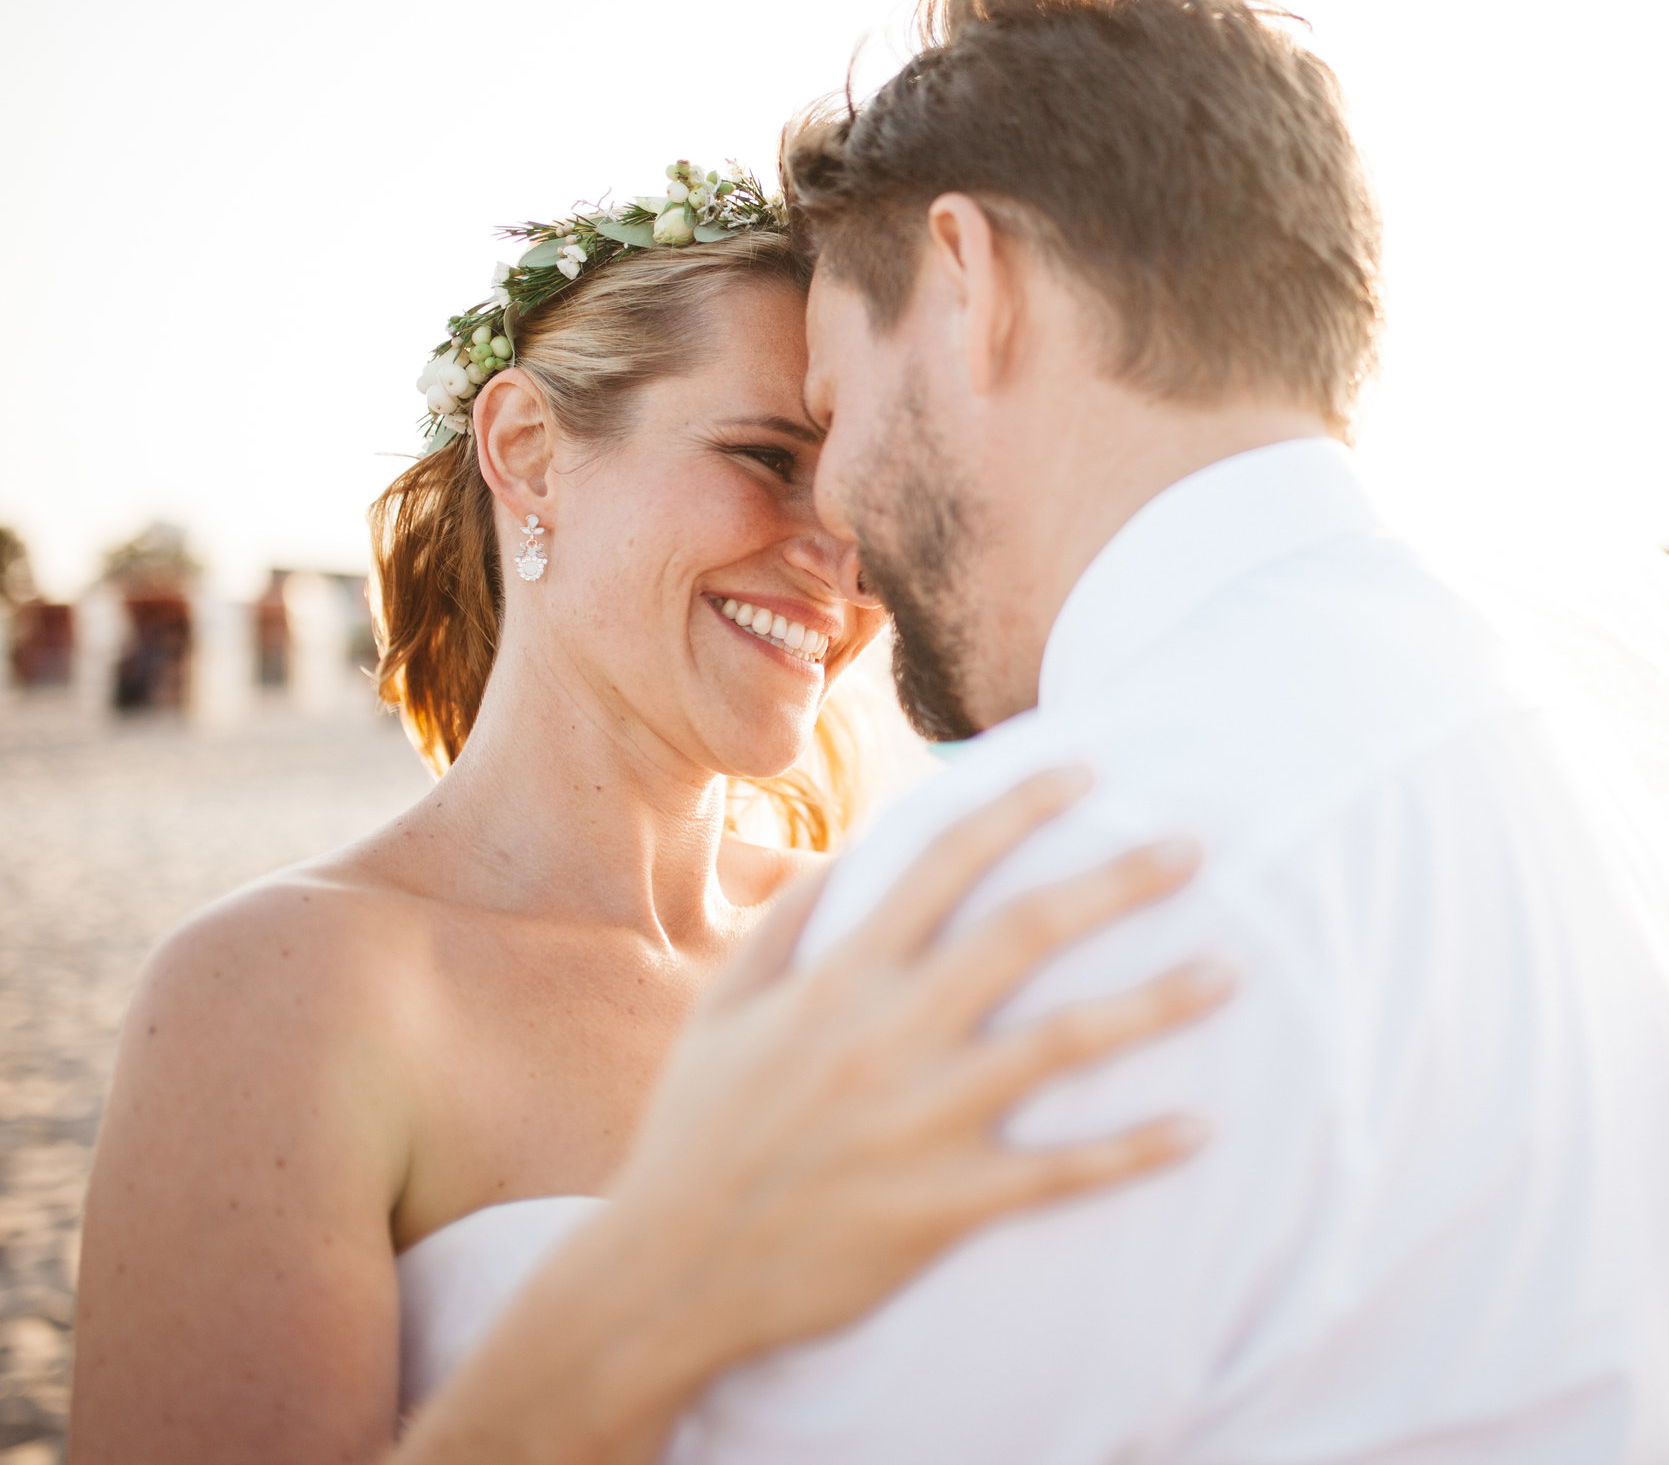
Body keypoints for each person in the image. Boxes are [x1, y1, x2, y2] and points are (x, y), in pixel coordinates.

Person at [584, 0, 1669, 1461]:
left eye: (834, 401)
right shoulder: (1549, 746)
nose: (844, 516)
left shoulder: (1021, 889)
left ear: (967, 279)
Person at [68, 199, 1235, 1463]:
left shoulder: (886, 946)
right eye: (766, 457)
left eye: (870, 495)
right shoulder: (280, 989)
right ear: (526, 448)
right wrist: (664, 1285)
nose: (839, 561)